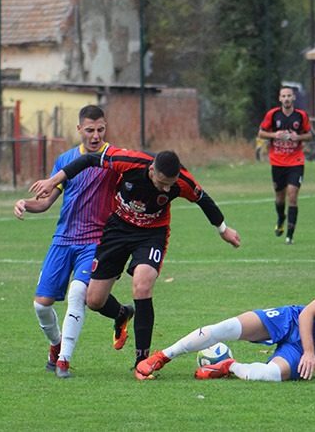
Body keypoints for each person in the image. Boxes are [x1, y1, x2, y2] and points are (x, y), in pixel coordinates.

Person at [29, 148, 241, 380]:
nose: (167, 189)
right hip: (117, 230)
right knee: (94, 300)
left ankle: (143, 361)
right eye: (162, 183)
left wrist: (223, 229)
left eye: (170, 185)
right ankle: (122, 313)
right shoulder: (129, 162)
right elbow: (90, 159)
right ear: (151, 170)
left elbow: (204, 200)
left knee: (142, 284)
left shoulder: (182, 181)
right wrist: (53, 180)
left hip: (151, 234)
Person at [13, 105, 118, 378]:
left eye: (100, 130)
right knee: (41, 304)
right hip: (63, 240)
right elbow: (46, 202)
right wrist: (25, 203)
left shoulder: (113, 159)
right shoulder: (65, 160)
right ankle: (55, 344)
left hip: (95, 242)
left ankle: (64, 361)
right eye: (90, 130)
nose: (95, 135)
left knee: (77, 294)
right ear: (79, 129)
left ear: (105, 128)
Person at [136, 279, 315, 382]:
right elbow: (307, 313)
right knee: (225, 327)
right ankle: (161, 357)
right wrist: (311, 353)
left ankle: (228, 365)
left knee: (267, 375)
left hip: (299, 350)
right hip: (291, 320)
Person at [258, 86, 313, 244]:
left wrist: (298, 137)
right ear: (280, 98)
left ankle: (290, 235)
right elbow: (261, 133)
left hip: (296, 161)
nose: (287, 98)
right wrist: (274, 135)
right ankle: (281, 218)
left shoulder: (301, 116)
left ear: (293, 98)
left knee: (292, 195)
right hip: (277, 162)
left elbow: (310, 135)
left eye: (289, 96)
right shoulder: (273, 115)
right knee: (280, 197)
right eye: (284, 96)